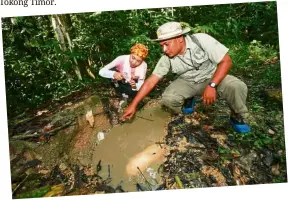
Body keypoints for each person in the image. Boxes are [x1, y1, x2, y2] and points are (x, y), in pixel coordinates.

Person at [121, 21, 255, 133]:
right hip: (188, 82)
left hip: (211, 76)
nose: (164, 50)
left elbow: (226, 61)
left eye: (166, 44)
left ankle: (236, 115)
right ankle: (189, 98)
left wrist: (212, 85)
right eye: (162, 45)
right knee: (168, 98)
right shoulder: (166, 57)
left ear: (179, 39)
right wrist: (133, 105)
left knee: (237, 86)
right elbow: (151, 81)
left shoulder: (201, 40)